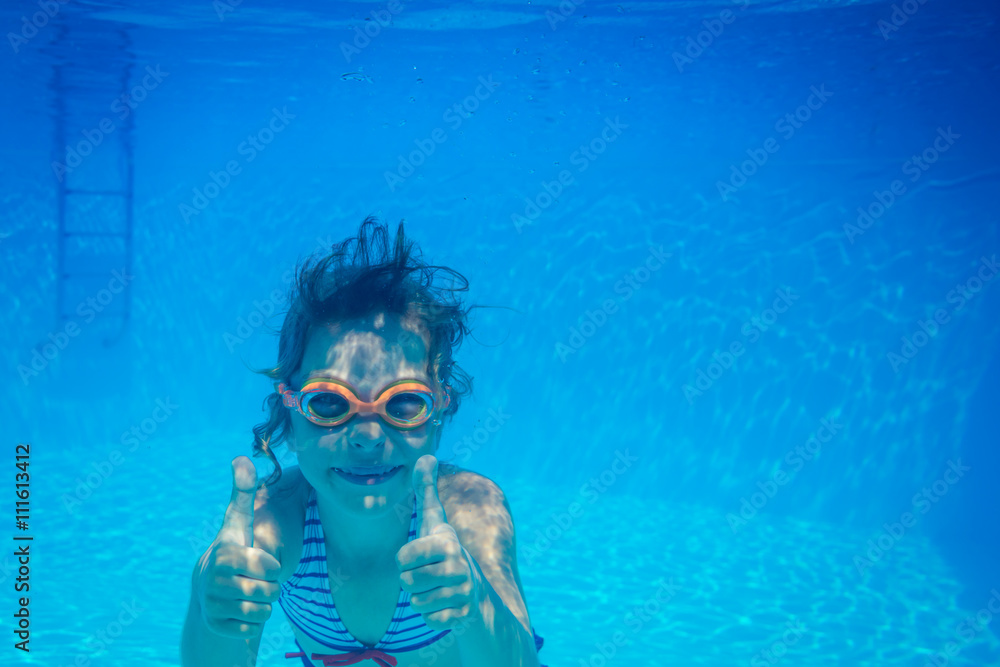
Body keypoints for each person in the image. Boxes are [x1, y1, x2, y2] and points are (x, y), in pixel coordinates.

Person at [181, 217, 546, 666]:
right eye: (330, 404)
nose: (369, 437)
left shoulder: (470, 508)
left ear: (439, 415)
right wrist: (209, 606)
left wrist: (474, 603)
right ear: (290, 416)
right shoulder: (276, 518)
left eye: (404, 404)